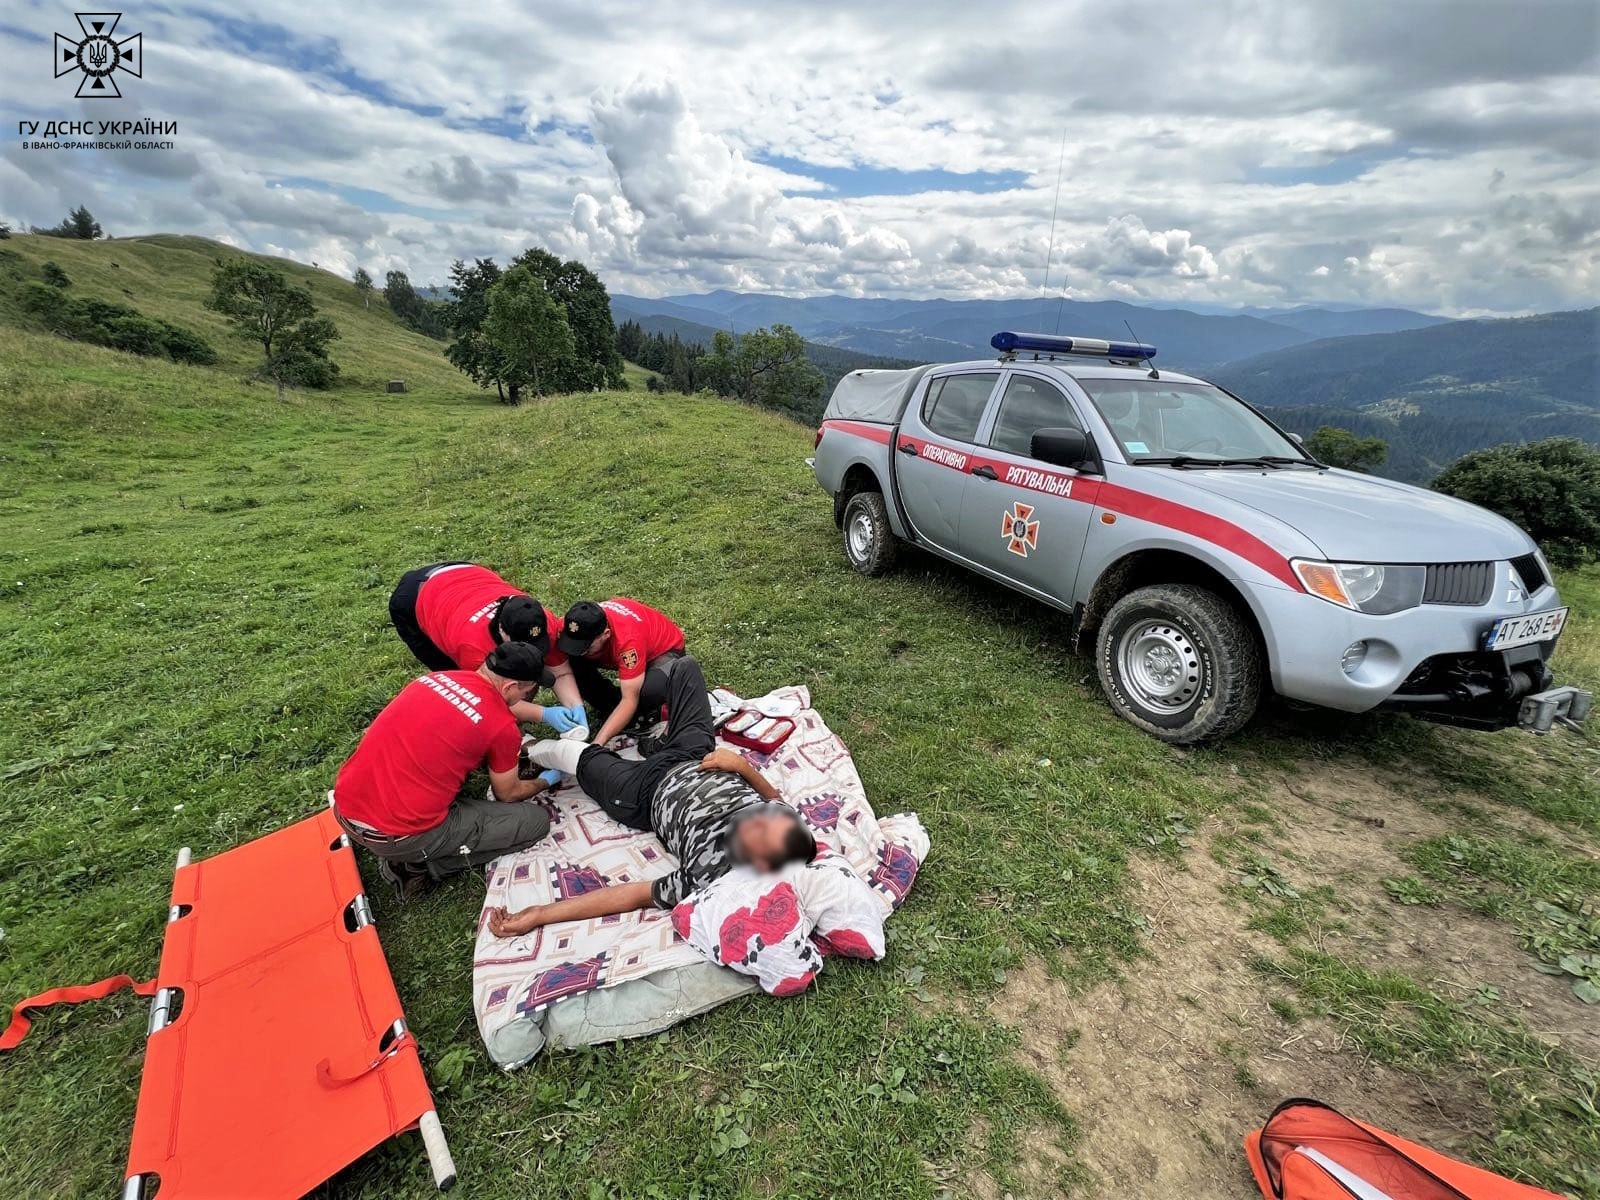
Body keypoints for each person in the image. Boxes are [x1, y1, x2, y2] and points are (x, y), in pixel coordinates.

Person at [487, 655, 815, 936]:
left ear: (757, 865)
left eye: (757, 833)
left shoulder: (710, 875)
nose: (753, 819)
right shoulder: (788, 830)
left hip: (642, 791)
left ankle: (533, 748)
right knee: (685, 667)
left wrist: (540, 915)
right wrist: (742, 767)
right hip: (698, 757)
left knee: (575, 754)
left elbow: (630, 895)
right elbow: (776, 800)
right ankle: (656, 743)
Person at [333, 641, 561, 901]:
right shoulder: (501, 726)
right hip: (398, 836)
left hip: (346, 806)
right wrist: (544, 781)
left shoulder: (435, 679)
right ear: (510, 687)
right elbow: (507, 794)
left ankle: (407, 849)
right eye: (529, 691)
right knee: (534, 823)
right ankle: (417, 866)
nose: (527, 698)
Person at [387, 561, 586, 733]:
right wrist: (544, 714)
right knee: (461, 688)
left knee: (517, 681)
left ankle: (512, 722)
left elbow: (560, 672)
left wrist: (576, 706)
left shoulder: (539, 621)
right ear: (503, 631)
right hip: (416, 595)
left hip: (465, 572)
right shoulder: (474, 646)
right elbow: (486, 696)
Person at [554, 598, 687, 747]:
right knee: (570, 663)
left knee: (648, 693)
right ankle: (611, 707)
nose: (578, 650)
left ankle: (643, 713)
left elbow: (629, 700)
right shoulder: (572, 625)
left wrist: (597, 743)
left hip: (663, 653)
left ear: (606, 634)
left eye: (585, 646)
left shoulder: (628, 642)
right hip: (624, 647)